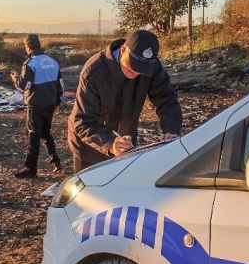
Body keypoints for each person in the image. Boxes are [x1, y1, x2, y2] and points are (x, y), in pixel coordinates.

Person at [67, 29, 182, 172]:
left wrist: (171, 130)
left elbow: (166, 98)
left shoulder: (151, 67)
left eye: (142, 69)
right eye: (132, 64)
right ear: (123, 49)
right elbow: (82, 122)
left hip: (125, 146)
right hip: (89, 147)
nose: (135, 71)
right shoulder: (94, 72)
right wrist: (109, 145)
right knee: (89, 191)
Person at [11, 34, 64, 178]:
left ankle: (31, 169)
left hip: (36, 104)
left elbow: (24, 85)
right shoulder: (52, 62)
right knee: (46, 134)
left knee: (33, 136)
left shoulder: (30, 64)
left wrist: (16, 78)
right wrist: (58, 103)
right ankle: (55, 163)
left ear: (27, 47)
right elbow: (60, 85)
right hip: (51, 102)